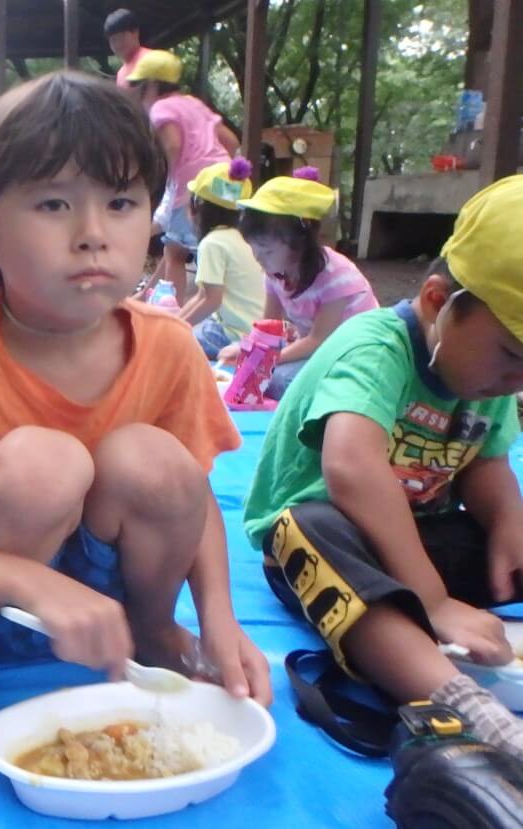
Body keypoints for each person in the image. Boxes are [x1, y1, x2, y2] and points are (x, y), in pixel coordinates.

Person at [0, 71, 272, 754]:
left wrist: (219, 619)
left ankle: (150, 631)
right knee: (45, 462)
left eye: (119, 202)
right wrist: (29, 582)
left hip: (110, 597)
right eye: (52, 205)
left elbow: (189, 496)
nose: (91, 234)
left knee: (158, 461)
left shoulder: (168, 345)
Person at [243, 175, 523, 761]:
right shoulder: (374, 347)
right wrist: (433, 602)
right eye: (512, 356)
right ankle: (468, 708)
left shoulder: (488, 377)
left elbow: (487, 465)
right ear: (438, 303)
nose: (516, 381)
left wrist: (507, 530)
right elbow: (350, 467)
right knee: (313, 532)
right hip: (326, 544)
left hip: (415, 535)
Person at [219, 169, 379, 399]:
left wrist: (266, 360)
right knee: (260, 376)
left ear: (299, 242)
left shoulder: (337, 276)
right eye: (253, 247)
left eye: (267, 250)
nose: (257, 257)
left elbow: (318, 340)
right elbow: (268, 326)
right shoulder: (275, 273)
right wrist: (248, 351)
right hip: (320, 352)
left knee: (281, 380)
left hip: (354, 356)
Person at [129, 49, 240, 304]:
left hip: (194, 184)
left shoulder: (160, 108)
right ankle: (147, 295)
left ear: (152, 85)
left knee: (176, 253)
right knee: (213, 243)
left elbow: (173, 146)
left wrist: (158, 177)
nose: (134, 91)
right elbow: (231, 142)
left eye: (137, 85)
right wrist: (223, 169)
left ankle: (172, 311)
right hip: (226, 181)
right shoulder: (194, 103)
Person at [177, 159, 267, 358]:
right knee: (178, 331)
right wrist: (175, 322)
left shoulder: (213, 243)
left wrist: (174, 330)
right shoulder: (241, 238)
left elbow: (211, 300)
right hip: (254, 332)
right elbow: (203, 295)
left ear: (197, 206)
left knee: (172, 345)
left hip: (232, 335)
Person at [105, 8, 151, 88]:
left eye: (122, 37)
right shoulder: (121, 73)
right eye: (113, 40)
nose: (118, 44)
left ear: (136, 32)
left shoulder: (151, 59)